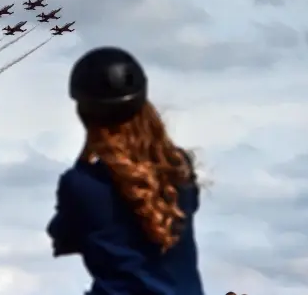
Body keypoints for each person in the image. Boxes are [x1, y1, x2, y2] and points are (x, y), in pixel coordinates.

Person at [46, 46, 204, 295]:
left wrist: (85, 157)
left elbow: (62, 237)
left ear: (85, 114)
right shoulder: (178, 168)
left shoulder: (81, 183)